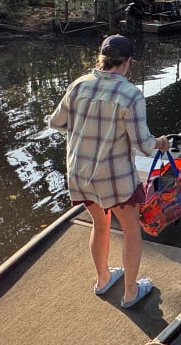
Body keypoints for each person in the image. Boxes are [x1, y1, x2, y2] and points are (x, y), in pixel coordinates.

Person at [48, 34, 170, 307]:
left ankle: (103, 279)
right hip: (114, 179)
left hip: (79, 174)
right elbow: (143, 144)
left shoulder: (78, 85)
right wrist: (160, 143)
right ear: (127, 62)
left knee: (99, 225)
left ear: (102, 58)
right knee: (130, 230)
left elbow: (56, 122)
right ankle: (130, 293)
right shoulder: (131, 95)